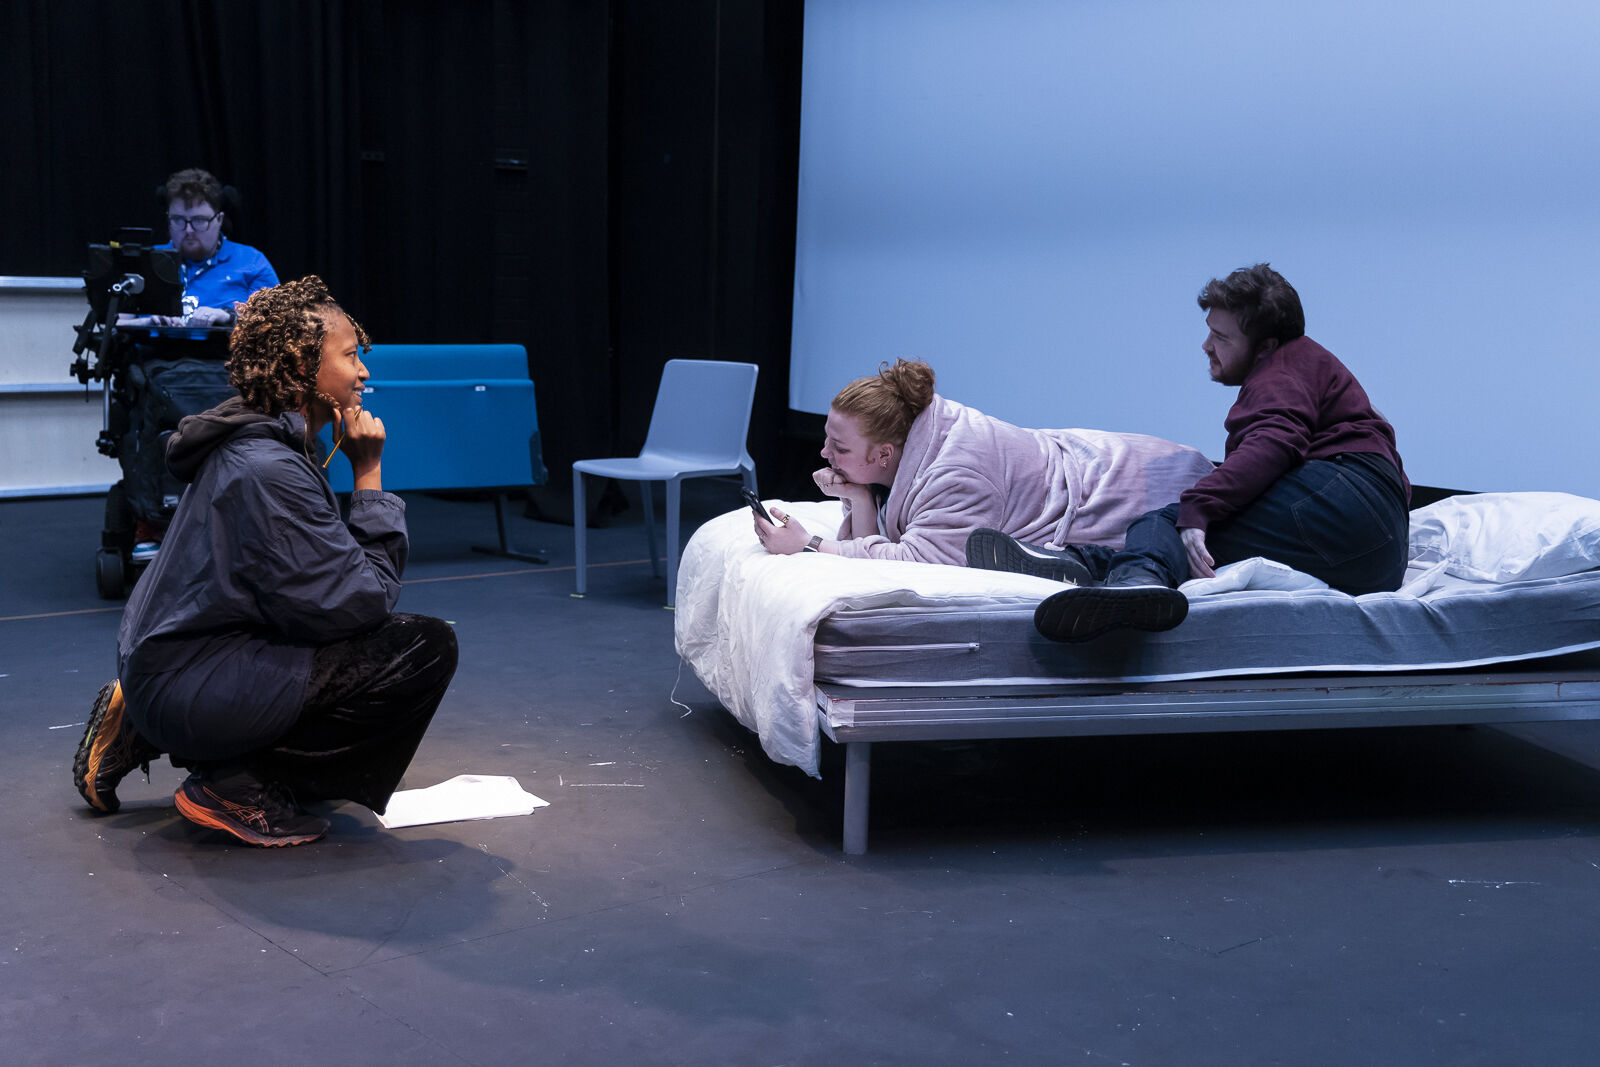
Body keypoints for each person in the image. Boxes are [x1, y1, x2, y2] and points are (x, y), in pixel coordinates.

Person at [73, 276, 458, 847]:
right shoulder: (269, 467)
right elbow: (363, 602)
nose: (363, 372)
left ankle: (144, 723)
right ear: (302, 367)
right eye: (350, 356)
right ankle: (235, 786)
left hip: (172, 664)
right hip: (185, 679)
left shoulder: (263, 441)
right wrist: (369, 476)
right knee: (421, 648)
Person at [968, 263, 1410, 642]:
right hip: (1377, 559)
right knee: (1182, 548)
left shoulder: (1282, 369)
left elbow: (1274, 441)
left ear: (1266, 346)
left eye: (1220, 336)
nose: (1206, 345)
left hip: (1342, 503)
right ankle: (1080, 565)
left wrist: (1199, 507)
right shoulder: (1319, 373)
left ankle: (1132, 585)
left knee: (1166, 521)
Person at [753, 358, 1216, 565]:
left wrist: (809, 545)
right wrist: (858, 497)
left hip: (1138, 483)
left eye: (839, 447)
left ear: (883, 455)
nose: (824, 454)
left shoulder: (956, 473)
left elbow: (916, 559)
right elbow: (880, 542)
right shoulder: (914, 443)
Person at [123, 168, 282, 560]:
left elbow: (277, 316)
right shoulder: (151, 263)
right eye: (178, 220)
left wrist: (227, 315)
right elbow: (119, 319)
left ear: (219, 219)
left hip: (231, 369)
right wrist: (150, 319)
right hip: (161, 370)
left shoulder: (249, 262)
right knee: (141, 402)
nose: (188, 230)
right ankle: (152, 520)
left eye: (198, 220)